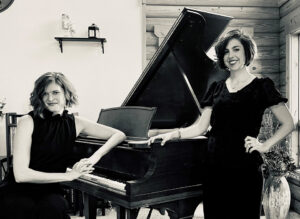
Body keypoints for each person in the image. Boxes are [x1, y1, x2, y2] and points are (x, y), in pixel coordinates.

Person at [148, 29, 295, 219]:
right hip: (214, 167)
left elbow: (288, 123)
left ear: (247, 52)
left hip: (245, 168)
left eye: (236, 49)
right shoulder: (216, 88)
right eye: (226, 52)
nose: (231, 56)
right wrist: (172, 134)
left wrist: (264, 145)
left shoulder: (262, 86)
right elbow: (200, 127)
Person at [0, 72, 126, 219]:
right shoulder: (27, 121)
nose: (50, 98)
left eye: (55, 92)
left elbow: (118, 135)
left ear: (66, 94)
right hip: (18, 189)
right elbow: (21, 175)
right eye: (45, 94)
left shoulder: (76, 123)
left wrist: (94, 157)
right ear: (39, 97)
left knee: (54, 208)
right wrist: (69, 176)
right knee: (21, 208)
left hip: (50, 189)